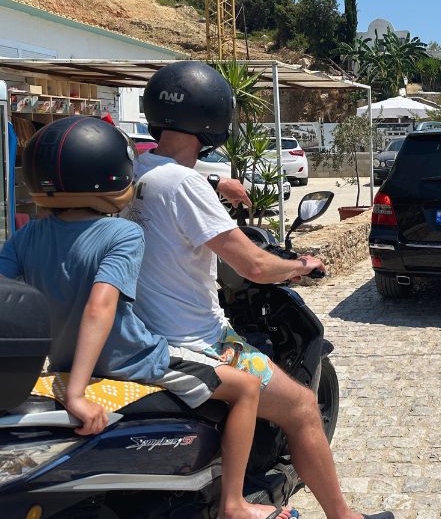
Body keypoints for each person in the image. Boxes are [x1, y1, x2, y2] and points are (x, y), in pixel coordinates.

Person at [126, 61, 392, 519]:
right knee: (304, 406)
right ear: (213, 117)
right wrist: (299, 265)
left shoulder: (138, 172)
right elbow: (251, 264)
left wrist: (217, 181)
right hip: (198, 342)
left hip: (145, 335)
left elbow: (177, 188)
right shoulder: (186, 184)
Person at [0, 117, 286, 519]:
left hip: (64, 360)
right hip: (135, 360)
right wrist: (77, 395)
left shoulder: (26, 235)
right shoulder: (121, 234)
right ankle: (235, 504)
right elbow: (100, 307)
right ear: (114, 175)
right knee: (246, 388)